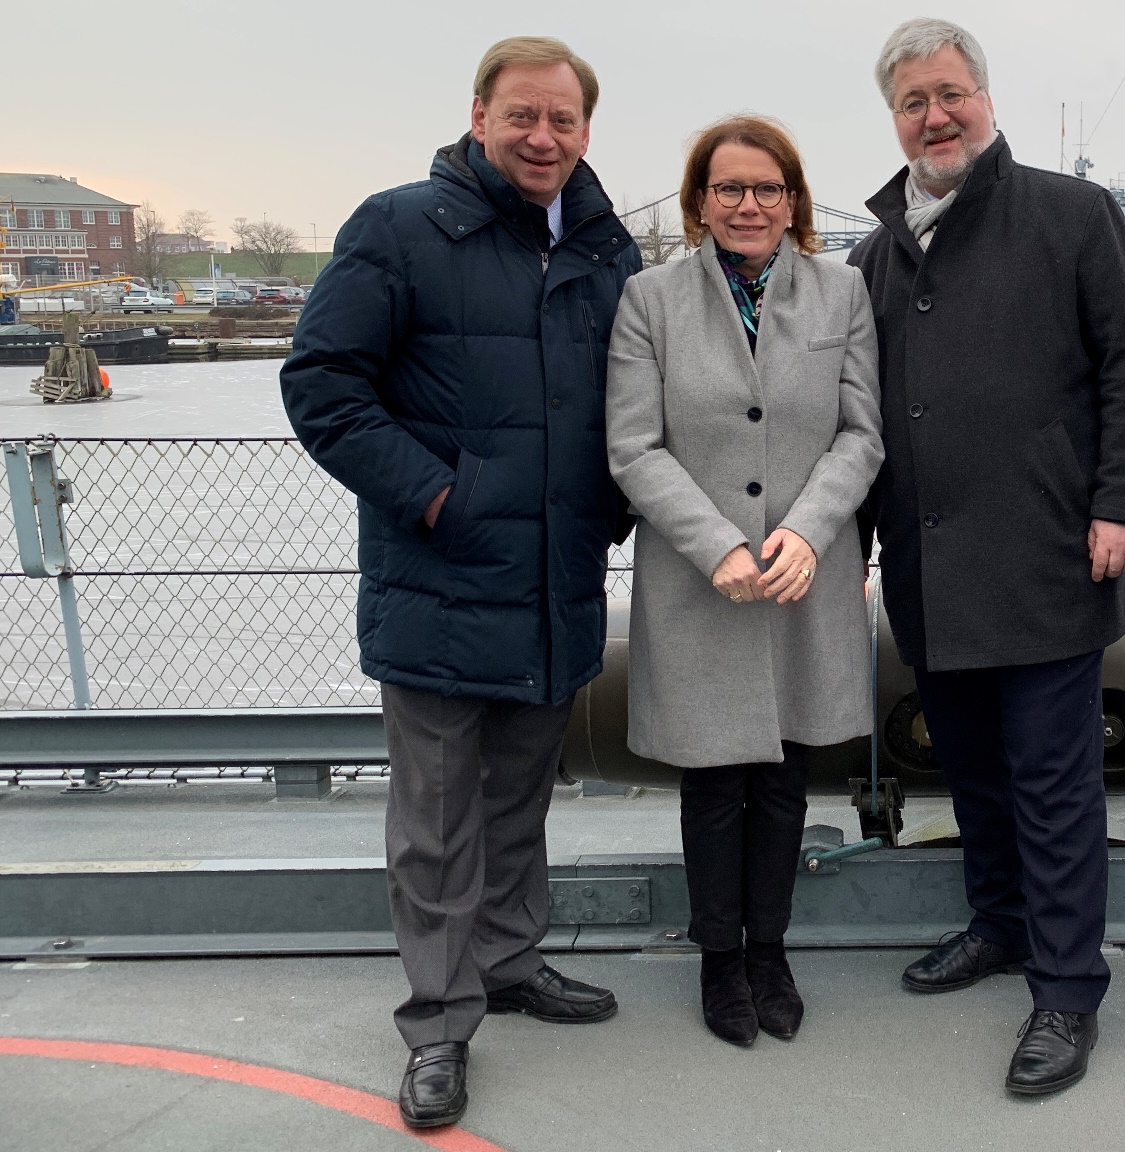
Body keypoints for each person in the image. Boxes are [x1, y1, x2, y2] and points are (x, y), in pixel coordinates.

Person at [279, 36, 640, 1130]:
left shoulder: (603, 249)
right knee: (435, 820)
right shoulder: (397, 228)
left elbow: (626, 406)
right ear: (478, 115)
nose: (544, 139)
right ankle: (438, 1022)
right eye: (523, 116)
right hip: (440, 580)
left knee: (521, 799)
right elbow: (323, 386)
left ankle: (512, 962)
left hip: (552, 583)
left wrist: (609, 511)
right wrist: (436, 496)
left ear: (586, 132)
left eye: (564, 122)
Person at [849, 18, 1125, 1096]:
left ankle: (1067, 990)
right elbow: (857, 419)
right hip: (928, 569)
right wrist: (846, 543)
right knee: (971, 770)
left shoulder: (1075, 217)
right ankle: (999, 924)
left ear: (985, 98)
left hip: (1047, 560)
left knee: (1055, 784)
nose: (935, 117)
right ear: (893, 120)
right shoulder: (874, 253)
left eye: (950, 95)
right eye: (913, 103)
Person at [606, 116, 883, 1048]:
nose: (750, 205)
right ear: (698, 203)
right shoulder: (650, 299)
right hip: (702, 578)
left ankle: (772, 950)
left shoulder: (841, 291)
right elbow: (633, 444)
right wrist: (717, 543)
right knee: (714, 781)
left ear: (795, 200)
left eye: (769, 189)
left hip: (805, 570)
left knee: (785, 778)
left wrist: (807, 531)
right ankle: (719, 959)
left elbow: (862, 432)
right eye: (729, 189)